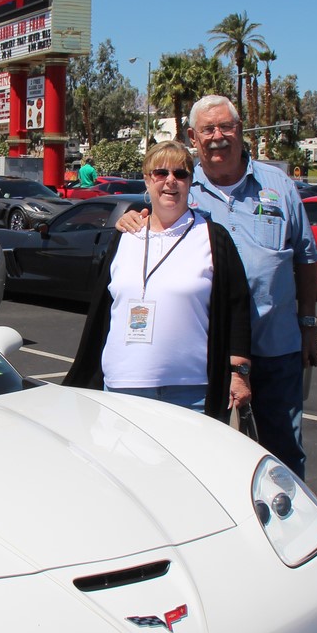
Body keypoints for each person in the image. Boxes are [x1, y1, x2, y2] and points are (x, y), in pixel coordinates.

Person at [116, 95, 317, 478]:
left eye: (226, 127)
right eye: (208, 129)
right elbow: (151, 223)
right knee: (211, 455)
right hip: (208, 354)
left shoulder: (278, 185)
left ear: (240, 131)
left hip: (275, 345)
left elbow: (305, 257)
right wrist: (130, 219)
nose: (218, 137)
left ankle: (287, 527)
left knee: (284, 450)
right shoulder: (182, 185)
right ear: (193, 136)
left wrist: (308, 324)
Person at [64, 141, 252, 422]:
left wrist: (239, 374)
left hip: (191, 393)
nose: (170, 182)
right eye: (160, 173)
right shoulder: (124, 235)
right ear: (146, 179)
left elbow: (238, 308)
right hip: (121, 389)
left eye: (181, 174)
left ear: (191, 182)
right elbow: (103, 311)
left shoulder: (213, 237)